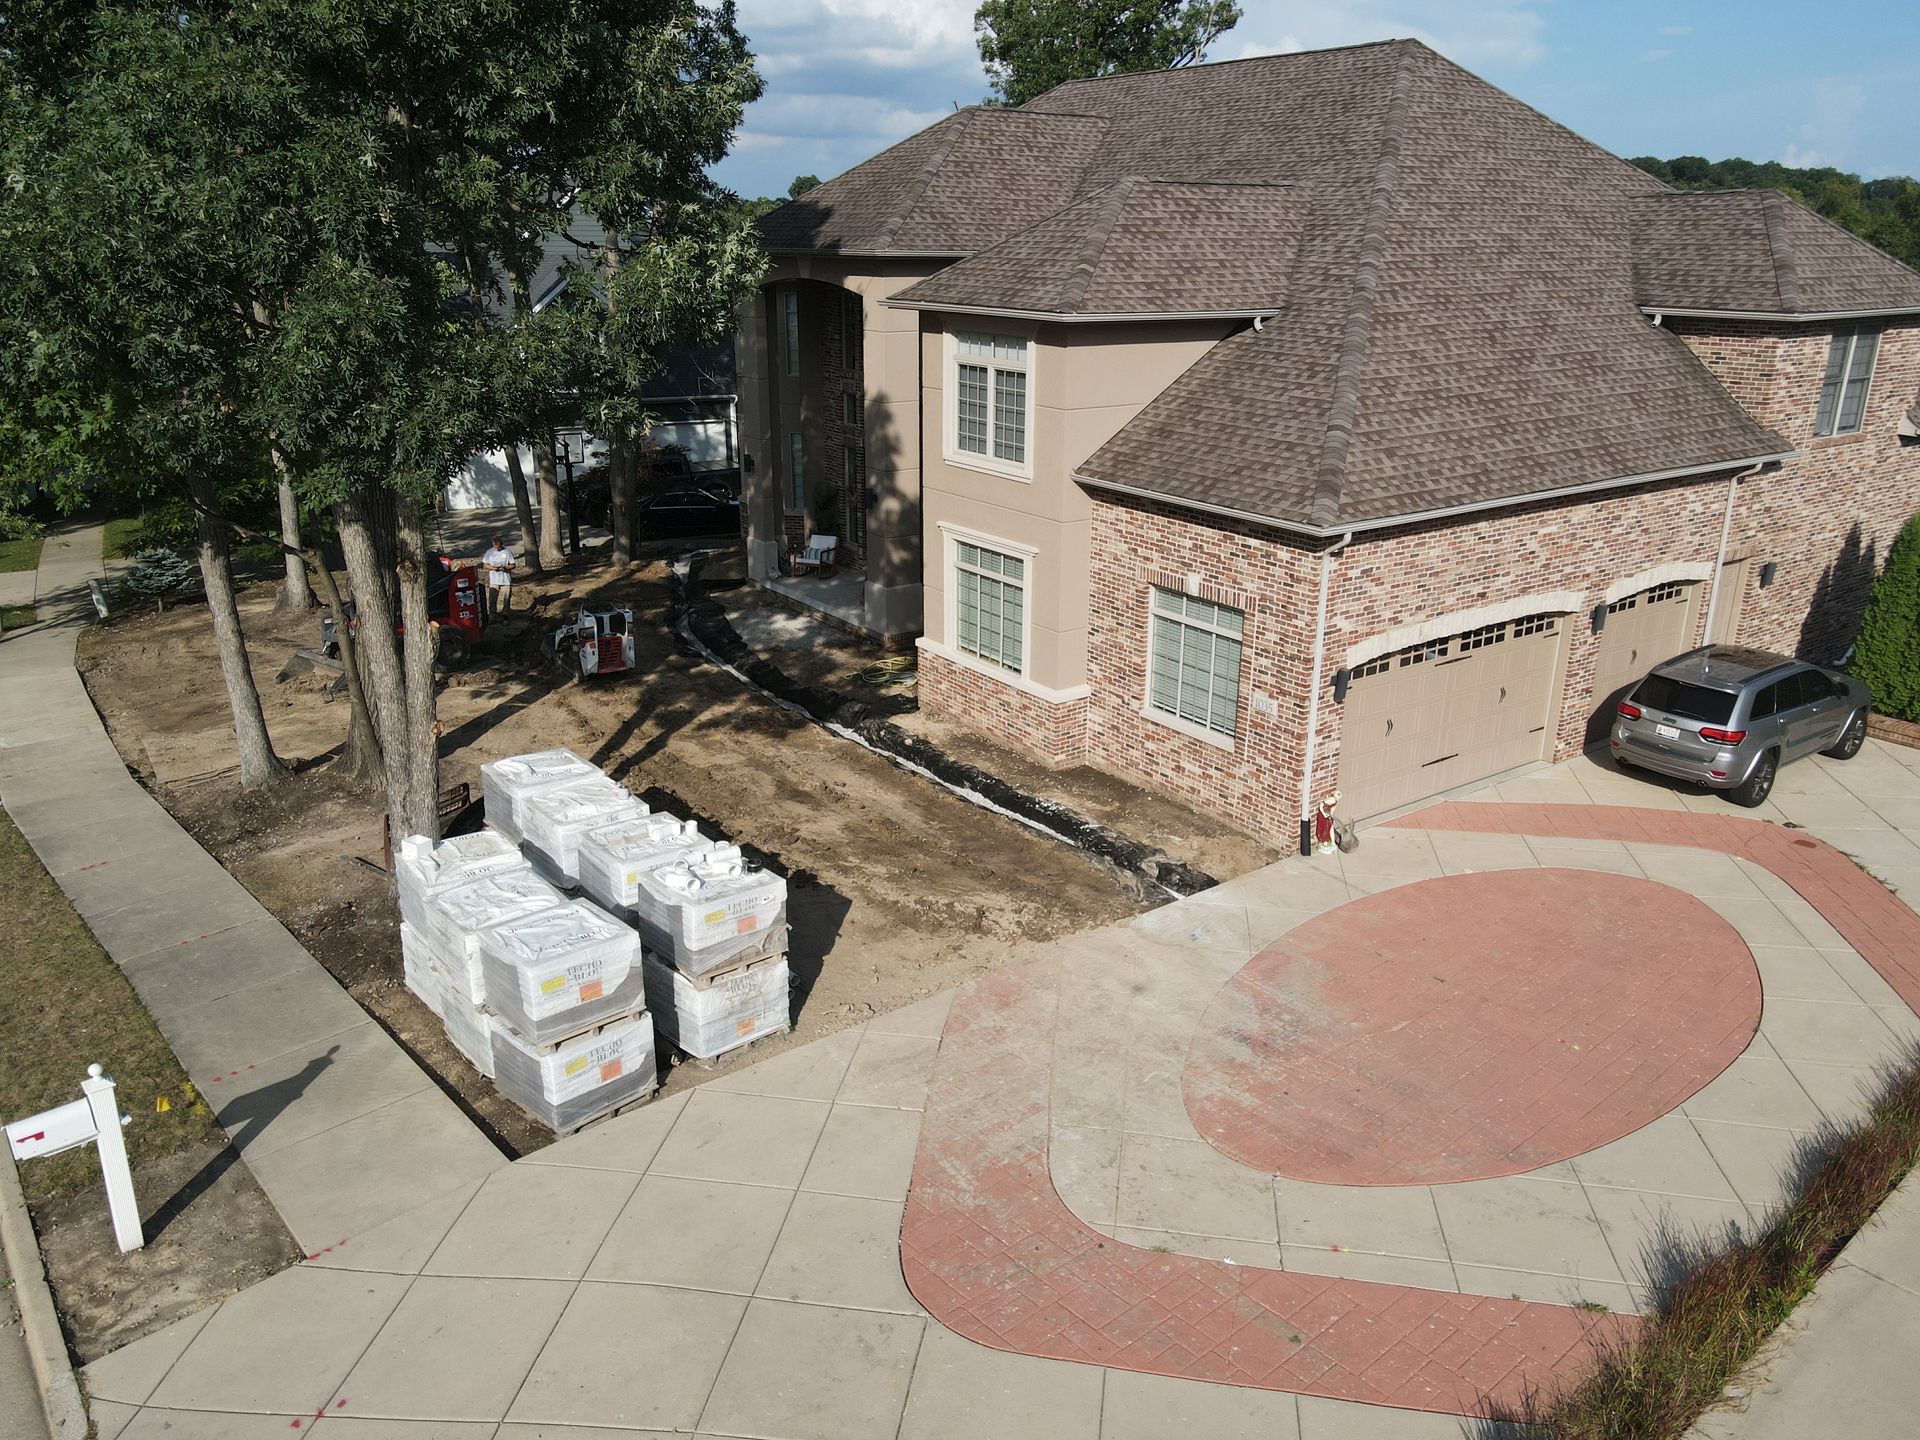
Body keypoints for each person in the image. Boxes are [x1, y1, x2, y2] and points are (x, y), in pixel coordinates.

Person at [480, 534, 515, 616]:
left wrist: (505, 568)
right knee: (492, 600)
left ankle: (505, 616)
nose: (496, 548)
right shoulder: (489, 552)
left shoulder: (507, 552)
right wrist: (492, 568)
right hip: (494, 580)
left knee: (506, 600)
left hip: (506, 580)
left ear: (501, 544)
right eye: (495, 546)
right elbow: (485, 565)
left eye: (498, 547)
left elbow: (513, 565)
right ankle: (492, 616)